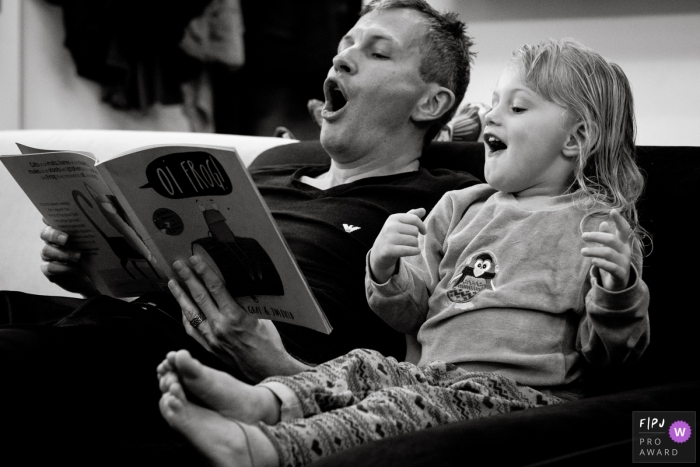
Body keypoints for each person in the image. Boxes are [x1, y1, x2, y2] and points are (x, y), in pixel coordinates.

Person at [0, 0, 476, 458]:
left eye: (377, 51)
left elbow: (419, 386)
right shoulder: (263, 173)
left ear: (431, 102)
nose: (342, 57)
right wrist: (95, 277)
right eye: (346, 43)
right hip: (127, 324)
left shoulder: (446, 204)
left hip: (202, 366)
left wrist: (267, 362)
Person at [156, 38, 650, 467]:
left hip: (517, 399)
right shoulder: (462, 206)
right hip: (429, 375)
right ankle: (265, 401)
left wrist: (616, 295)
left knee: (398, 410)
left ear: (577, 138)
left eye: (518, 108)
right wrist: (386, 268)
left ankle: (263, 449)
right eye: (495, 101)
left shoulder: (597, 227)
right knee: (361, 364)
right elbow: (407, 312)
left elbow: (607, 356)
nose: (492, 116)